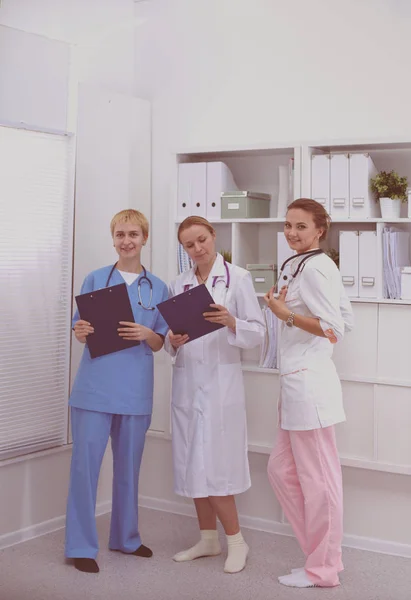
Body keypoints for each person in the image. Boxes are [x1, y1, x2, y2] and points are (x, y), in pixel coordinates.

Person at [65, 209, 169, 573]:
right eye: (121, 234)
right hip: (94, 390)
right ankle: (80, 545)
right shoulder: (95, 278)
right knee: (85, 468)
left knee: (129, 468)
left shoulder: (158, 287)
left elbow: (162, 343)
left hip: (135, 390)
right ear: (113, 238)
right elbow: (79, 327)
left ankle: (126, 538)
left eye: (134, 234)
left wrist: (148, 334)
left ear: (145, 238)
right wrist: (78, 331)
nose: (127, 241)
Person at [165, 215, 265, 574]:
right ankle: (208, 539)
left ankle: (237, 541)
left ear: (213, 236)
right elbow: (169, 339)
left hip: (221, 387)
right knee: (194, 463)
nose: (198, 249)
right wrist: (171, 342)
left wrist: (232, 321)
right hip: (188, 384)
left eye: (202, 239)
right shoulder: (179, 283)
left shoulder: (237, 278)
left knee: (218, 466)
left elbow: (257, 332)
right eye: (189, 245)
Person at [264, 198, 353, 588]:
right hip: (296, 382)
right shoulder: (300, 265)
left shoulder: (317, 268)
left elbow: (334, 327)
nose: (292, 233)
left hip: (310, 385)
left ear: (320, 230)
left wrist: (284, 313)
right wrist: (287, 311)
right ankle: (321, 555)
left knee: (319, 482)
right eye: (287, 225)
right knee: (281, 471)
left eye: (301, 226)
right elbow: (346, 315)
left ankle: (324, 569)